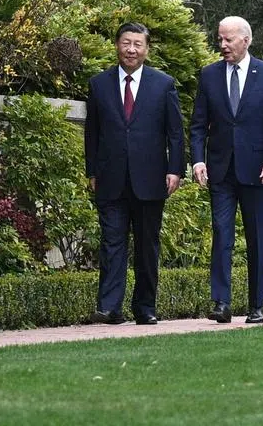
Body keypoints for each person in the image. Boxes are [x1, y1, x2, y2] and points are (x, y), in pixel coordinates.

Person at [85, 22, 184, 325]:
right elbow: (92, 132)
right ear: (117, 45)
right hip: (110, 178)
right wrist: (91, 170)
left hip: (150, 178)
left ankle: (145, 308)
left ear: (146, 49)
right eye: (126, 43)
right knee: (112, 242)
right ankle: (110, 307)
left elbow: (175, 133)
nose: (131, 49)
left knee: (146, 245)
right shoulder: (98, 84)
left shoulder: (163, 84)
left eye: (137, 44)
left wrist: (175, 169)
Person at [191, 16, 263, 324]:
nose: (222, 45)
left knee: (257, 237)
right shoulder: (208, 76)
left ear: (245, 41)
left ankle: (256, 305)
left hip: (257, 169)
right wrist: (197, 160)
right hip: (220, 170)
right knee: (221, 234)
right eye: (220, 39)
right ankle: (221, 303)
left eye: (228, 39)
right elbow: (197, 125)